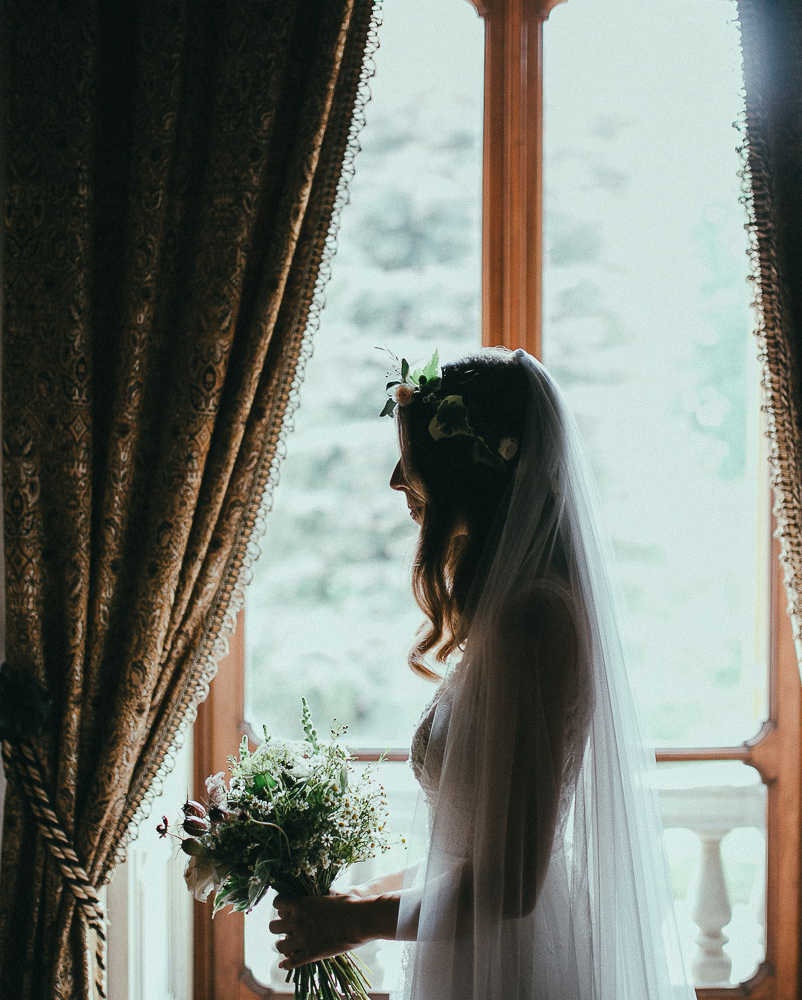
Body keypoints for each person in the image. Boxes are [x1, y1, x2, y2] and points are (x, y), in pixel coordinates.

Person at [270, 348, 693, 1000]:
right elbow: (471, 853)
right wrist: (361, 896)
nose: (393, 480)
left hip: (517, 968)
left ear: (466, 468)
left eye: (410, 460)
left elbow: (515, 880)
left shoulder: (533, 619)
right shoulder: (510, 607)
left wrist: (356, 923)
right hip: (478, 955)